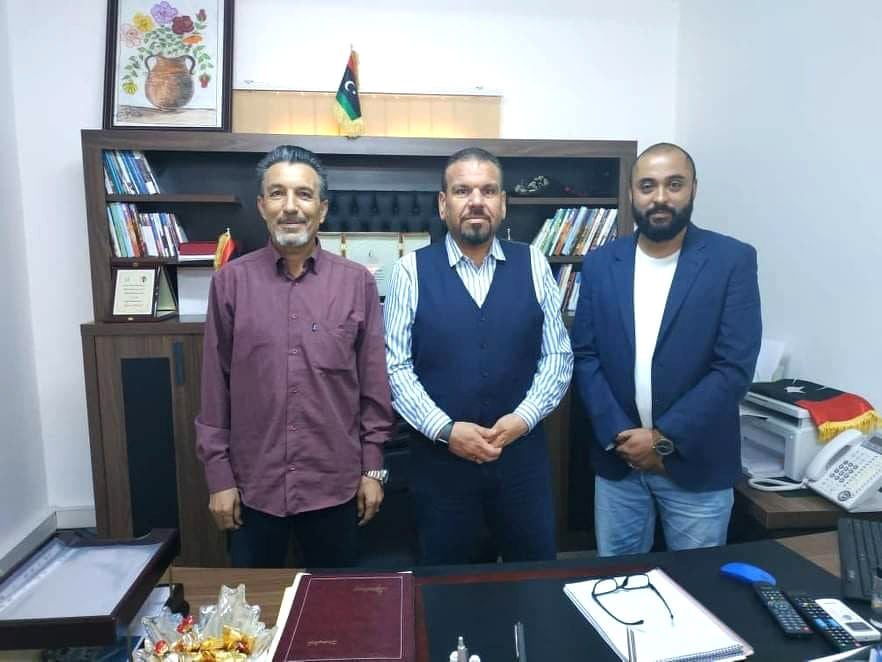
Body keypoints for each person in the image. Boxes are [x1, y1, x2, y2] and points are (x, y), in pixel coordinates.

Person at [195, 145, 395, 568]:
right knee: (253, 606)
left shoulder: (357, 283)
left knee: (337, 603)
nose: (290, 207)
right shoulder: (230, 283)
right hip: (252, 491)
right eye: (277, 193)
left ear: (322, 209)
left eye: (304, 194)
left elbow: (374, 389)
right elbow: (215, 390)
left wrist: (373, 470)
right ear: (261, 206)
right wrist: (218, 477)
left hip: (336, 488)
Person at [384, 147, 573, 564]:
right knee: (448, 587)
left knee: (533, 580)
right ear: (443, 204)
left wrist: (523, 418)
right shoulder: (409, 271)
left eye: (488, 191)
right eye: (462, 190)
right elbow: (395, 367)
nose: (476, 201)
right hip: (441, 468)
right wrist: (445, 430)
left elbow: (557, 355)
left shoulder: (534, 263)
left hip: (521, 464)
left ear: (502, 204)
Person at [572, 142, 762, 556]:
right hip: (619, 462)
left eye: (674, 184)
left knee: (696, 585)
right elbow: (585, 356)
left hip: (697, 465)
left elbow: (733, 367)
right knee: (618, 581)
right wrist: (622, 437)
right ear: (632, 193)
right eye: (648, 186)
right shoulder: (601, 263)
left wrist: (662, 440)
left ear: (694, 189)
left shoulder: (732, 260)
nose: (660, 197)